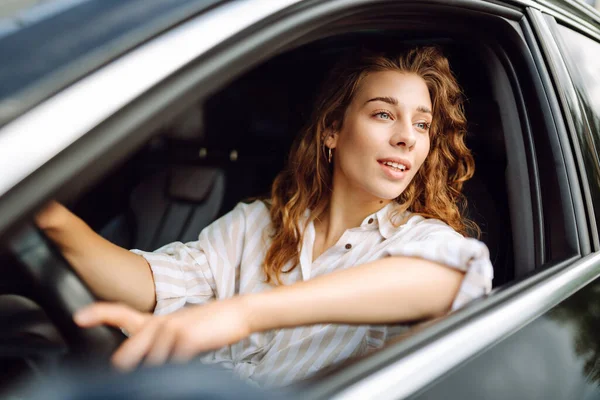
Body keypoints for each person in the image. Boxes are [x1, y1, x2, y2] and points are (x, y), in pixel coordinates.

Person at [35, 46, 493, 387]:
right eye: (382, 115)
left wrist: (243, 314)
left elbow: (454, 280)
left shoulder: (419, 243)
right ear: (332, 131)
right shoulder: (256, 224)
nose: (406, 139)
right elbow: (152, 282)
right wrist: (45, 216)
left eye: (421, 124)